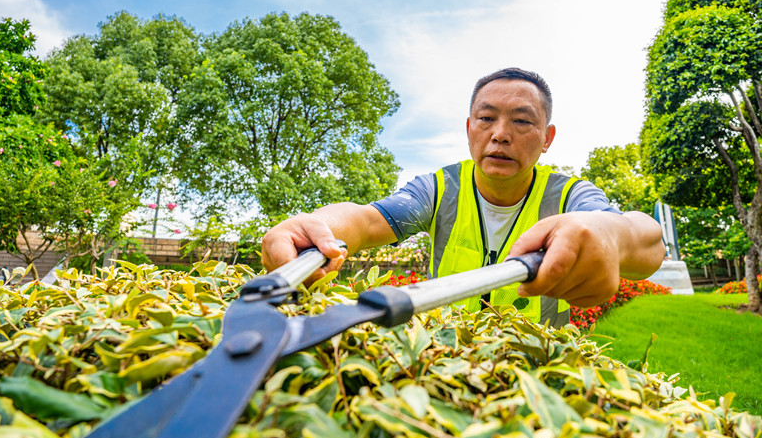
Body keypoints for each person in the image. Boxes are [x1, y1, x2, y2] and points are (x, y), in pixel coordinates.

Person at [261, 67, 665, 325]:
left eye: (522, 121)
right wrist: (316, 227)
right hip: (444, 361)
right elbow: (366, 220)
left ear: (547, 138)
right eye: (487, 118)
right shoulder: (438, 189)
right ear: (469, 128)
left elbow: (647, 243)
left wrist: (610, 236)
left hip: (540, 370)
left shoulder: (571, 197)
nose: (500, 134)